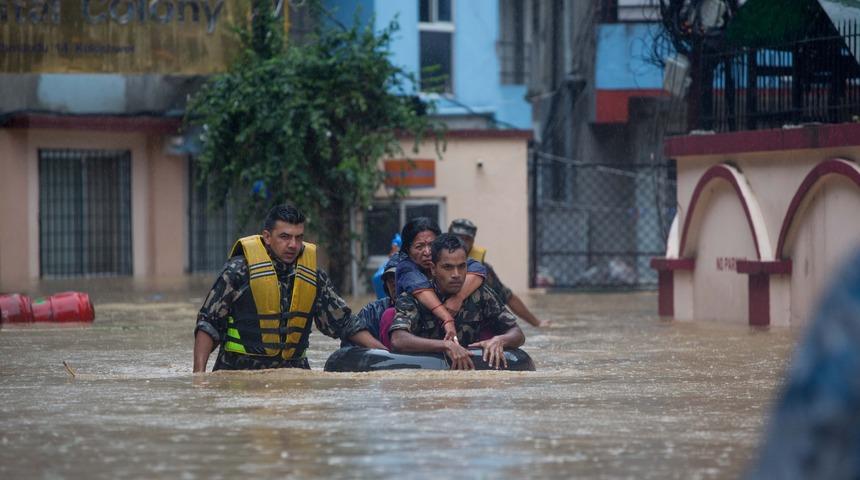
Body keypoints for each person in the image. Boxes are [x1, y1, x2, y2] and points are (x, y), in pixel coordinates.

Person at [192, 204, 373, 372]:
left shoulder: (314, 277)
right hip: (240, 378)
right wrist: (198, 379)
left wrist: (387, 354)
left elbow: (345, 323)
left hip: (294, 379)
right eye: (285, 237)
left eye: (298, 237)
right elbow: (209, 324)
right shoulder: (237, 271)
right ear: (267, 237)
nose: (293, 245)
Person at [389, 233, 525, 370]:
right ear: (433, 269)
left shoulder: (480, 293)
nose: (456, 274)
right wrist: (445, 345)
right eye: (448, 267)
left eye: (461, 267)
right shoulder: (414, 297)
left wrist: (500, 340)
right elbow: (398, 339)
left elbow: (517, 332)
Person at [394, 217, 488, 342]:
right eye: (419, 247)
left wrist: (458, 297)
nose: (427, 252)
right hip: (415, 328)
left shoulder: (447, 258)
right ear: (407, 249)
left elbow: (478, 268)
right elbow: (419, 286)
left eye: (431, 245)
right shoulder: (404, 266)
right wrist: (447, 318)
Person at [449, 218, 552, 328]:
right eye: (458, 237)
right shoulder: (435, 262)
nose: (462, 242)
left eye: (467, 239)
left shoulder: (483, 269)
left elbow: (508, 297)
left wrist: (537, 323)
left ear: (473, 241)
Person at [342, 255, 399, 349]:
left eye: (398, 278)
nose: (394, 284)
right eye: (390, 280)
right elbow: (348, 349)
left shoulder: (427, 308)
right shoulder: (372, 312)